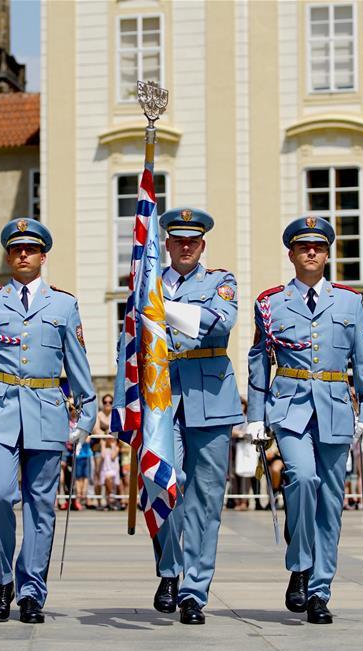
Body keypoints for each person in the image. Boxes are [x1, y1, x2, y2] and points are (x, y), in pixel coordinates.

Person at [0, 217, 96, 625]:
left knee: (41, 505)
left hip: (47, 409)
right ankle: (4, 579)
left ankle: (31, 590)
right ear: (8, 255)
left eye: (30, 249)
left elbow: (78, 363)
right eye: (16, 249)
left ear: (42, 256)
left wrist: (86, 416)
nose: (23, 254)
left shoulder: (63, 305)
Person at [246, 216, 363, 625]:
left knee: (331, 503)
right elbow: (258, 359)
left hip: (336, 407)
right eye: (303, 247)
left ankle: (319, 589)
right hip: (290, 407)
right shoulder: (270, 303)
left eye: (318, 247)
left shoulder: (350, 302)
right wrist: (255, 413)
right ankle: (300, 563)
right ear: (292, 254)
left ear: (327, 254)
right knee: (301, 479)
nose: (311, 253)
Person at [148, 207, 244, 626]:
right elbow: (128, 345)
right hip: (160, 397)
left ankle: (194, 590)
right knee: (161, 486)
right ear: (167, 244)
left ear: (202, 245)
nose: (185, 246)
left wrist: (163, 310)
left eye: (193, 241)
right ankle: (170, 570)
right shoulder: (146, 283)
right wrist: (123, 407)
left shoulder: (220, 281)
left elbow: (222, 322)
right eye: (178, 240)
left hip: (209, 394)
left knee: (205, 501)